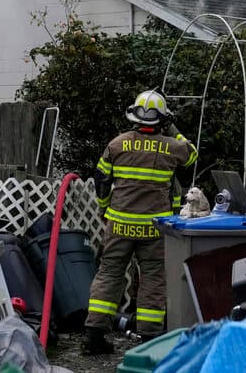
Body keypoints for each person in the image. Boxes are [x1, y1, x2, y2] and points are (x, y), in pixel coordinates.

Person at [83, 90, 198, 354]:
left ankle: (93, 336)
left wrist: (104, 209)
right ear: (162, 120)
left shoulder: (117, 144)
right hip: (153, 228)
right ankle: (148, 342)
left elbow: (101, 180)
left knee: (109, 275)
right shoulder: (172, 147)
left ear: (134, 116)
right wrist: (173, 129)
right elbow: (192, 154)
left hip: (118, 226)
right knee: (153, 279)